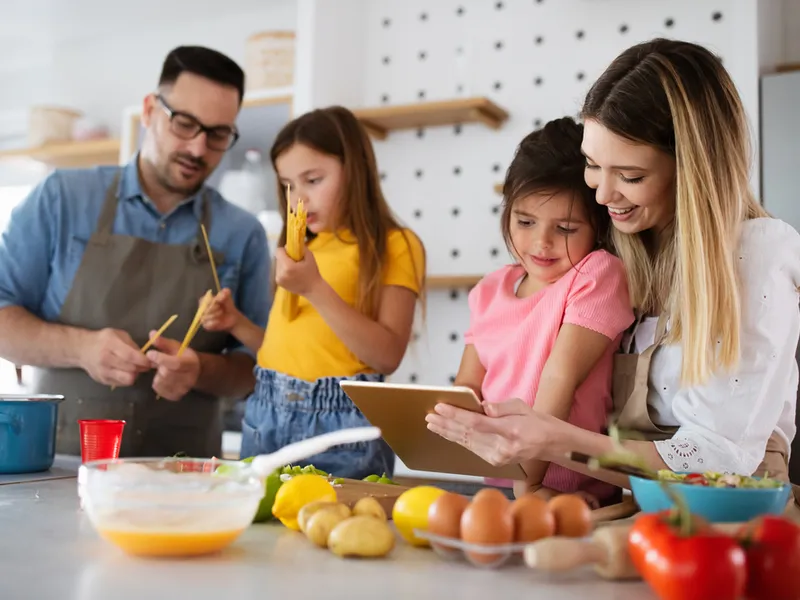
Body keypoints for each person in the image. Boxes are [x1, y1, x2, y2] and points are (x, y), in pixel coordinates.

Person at [426, 38, 800, 504]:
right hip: (633, 503)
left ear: (693, 169)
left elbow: (720, 460)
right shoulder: (624, 250)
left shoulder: (756, 252)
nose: (602, 194)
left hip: (723, 516)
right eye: (592, 164)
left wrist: (553, 441)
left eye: (630, 176)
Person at [0, 46, 272, 458]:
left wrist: (201, 370)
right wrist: (81, 348)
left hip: (185, 476)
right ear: (149, 111)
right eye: (185, 124)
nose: (198, 149)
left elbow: (257, 367)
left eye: (217, 134)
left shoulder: (242, 234)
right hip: (62, 467)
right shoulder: (62, 199)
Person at [201, 106, 426, 479]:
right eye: (289, 184)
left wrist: (315, 288)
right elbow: (288, 352)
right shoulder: (299, 249)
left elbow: (387, 356)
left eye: (313, 179)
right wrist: (236, 324)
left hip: (342, 425)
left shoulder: (395, 245)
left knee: (336, 532)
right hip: (266, 412)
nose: (298, 200)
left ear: (355, 168)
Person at [456, 117, 634, 507]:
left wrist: (529, 485)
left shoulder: (597, 274)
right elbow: (469, 383)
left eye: (566, 229)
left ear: (597, 228)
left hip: (570, 490)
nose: (542, 242)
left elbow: (560, 377)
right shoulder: (488, 290)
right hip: (498, 483)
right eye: (524, 221)